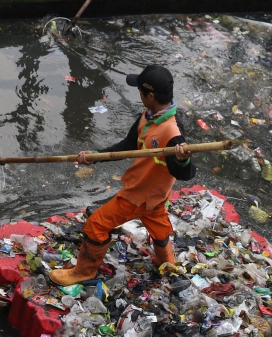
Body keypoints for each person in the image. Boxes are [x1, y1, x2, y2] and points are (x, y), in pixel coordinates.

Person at [49, 64, 196, 286]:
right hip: (155, 196)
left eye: (140, 91)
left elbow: (185, 173)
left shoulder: (172, 133)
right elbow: (128, 145)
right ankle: (168, 265)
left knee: (96, 224)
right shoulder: (148, 117)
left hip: (139, 195)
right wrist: (95, 156)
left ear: (151, 95)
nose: (138, 94)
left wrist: (183, 159)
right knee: (158, 227)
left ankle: (84, 271)